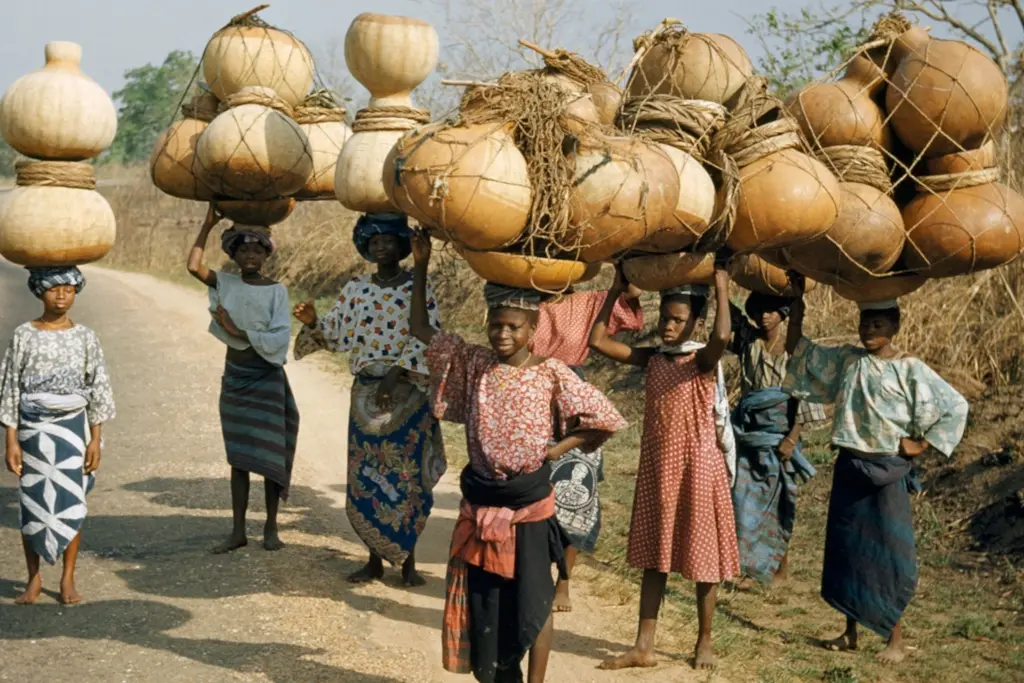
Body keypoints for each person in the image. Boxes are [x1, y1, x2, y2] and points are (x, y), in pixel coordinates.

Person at [409, 233, 627, 683]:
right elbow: (420, 329)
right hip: (482, 496)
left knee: (535, 600)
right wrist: (421, 266)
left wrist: (556, 449)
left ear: (533, 331)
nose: (503, 334)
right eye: (497, 325)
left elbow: (605, 417)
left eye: (514, 327)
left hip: (528, 501)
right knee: (488, 600)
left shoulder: (550, 372)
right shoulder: (475, 363)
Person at [783, 275, 968, 663]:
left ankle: (894, 640)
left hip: (887, 471)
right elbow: (799, 351)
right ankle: (850, 633)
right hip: (851, 465)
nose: (869, 330)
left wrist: (919, 444)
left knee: (888, 555)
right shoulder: (849, 360)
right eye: (865, 323)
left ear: (894, 327)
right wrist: (797, 303)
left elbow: (955, 407)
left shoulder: (910, 369)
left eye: (878, 324)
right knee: (848, 550)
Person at [590, 263, 739, 672]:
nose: (668, 327)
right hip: (659, 471)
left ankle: (704, 640)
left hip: (698, 468)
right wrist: (615, 290)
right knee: (655, 559)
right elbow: (598, 339)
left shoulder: (701, 362)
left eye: (677, 320)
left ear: (697, 322)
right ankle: (644, 646)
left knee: (703, 560)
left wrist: (721, 287)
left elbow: (722, 336)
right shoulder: (654, 359)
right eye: (664, 319)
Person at [293, 212, 446, 587]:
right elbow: (336, 336)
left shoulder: (418, 287)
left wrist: (394, 376)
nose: (380, 246)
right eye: (373, 241)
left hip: (408, 394)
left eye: (388, 240)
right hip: (366, 394)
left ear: (402, 244)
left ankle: (407, 562)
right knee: (367, 478)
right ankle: (374, 559)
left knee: (407, 478)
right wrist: (314, 321)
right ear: (364, 246)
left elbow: (428, 336)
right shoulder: (356, 289)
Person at [187, 206, 298, 554]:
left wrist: (238, 330)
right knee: (239, 459)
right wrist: (206, 225)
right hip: (235, 379)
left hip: (266, 379)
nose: (250, 255)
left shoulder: (276, 291)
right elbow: (193, 266)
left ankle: (270, 527)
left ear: (266, 254)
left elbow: (281, 336)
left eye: (257, 249)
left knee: (268, 456)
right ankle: (237, 530)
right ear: (232, 253)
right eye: (243, 249)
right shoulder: (226, 282)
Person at [2, 266, 115, 605]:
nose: (62, 295)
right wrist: (11, 441)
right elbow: (10, 388)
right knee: (32, 504)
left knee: (72, 501)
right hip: (34, 431)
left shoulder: (85, 337)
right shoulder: (24, 334)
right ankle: (33, 579)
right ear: (39, 292)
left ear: (76, 292)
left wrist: (94, 439)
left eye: (68, 288)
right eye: (53, 289)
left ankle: (67, 578)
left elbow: (98, 389)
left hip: (72, 430)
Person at [531, 278, 644, 612]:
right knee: (527, 490)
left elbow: (630, 308)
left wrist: (623, 279)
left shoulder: (588, 301)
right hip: (530, 393)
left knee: (576, 489)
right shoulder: (519, 298)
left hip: (573, 398)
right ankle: (530, 574)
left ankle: (563, 581)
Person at [728, 292, 825, 585]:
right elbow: (727, 314)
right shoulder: (749, 342)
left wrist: (792, 439)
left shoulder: (793, 350)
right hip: (751, 434)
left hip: (781, 437)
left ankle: (779, 567)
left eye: (771, 311)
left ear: (783, 314)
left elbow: (803, 397)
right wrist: (719, 276)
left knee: (782, 499)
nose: (764, 317)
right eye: (758, 311)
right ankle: (746, 564)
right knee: (743, 498)